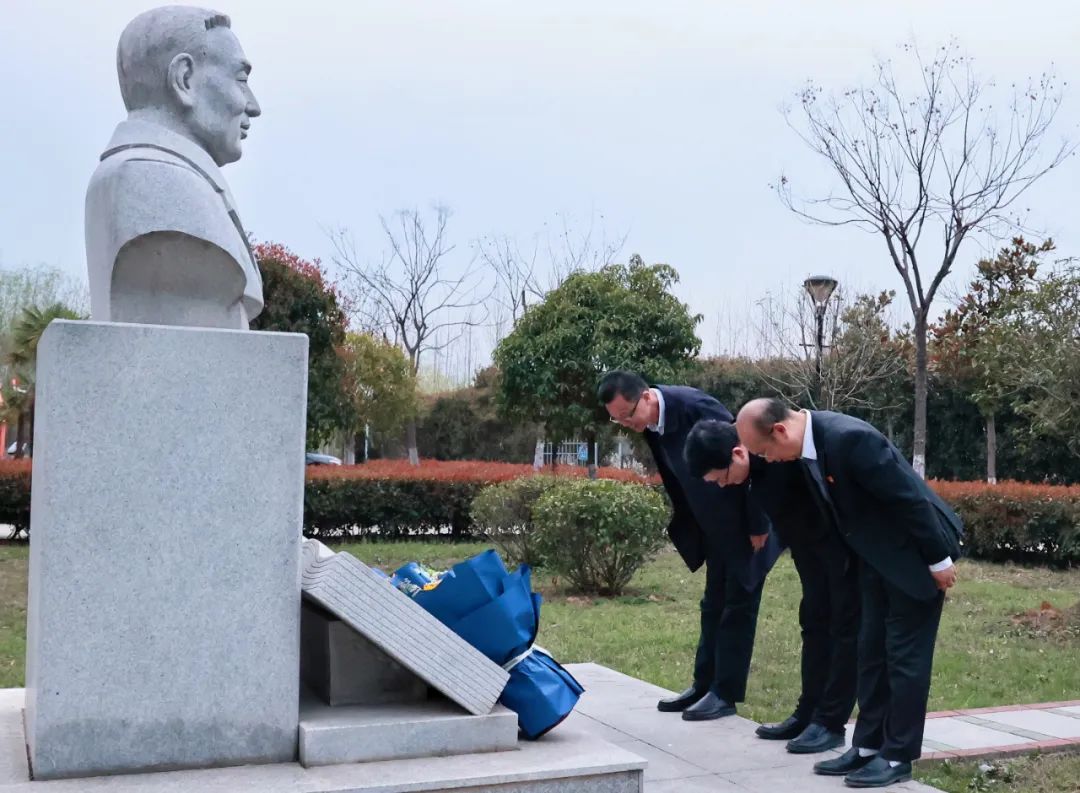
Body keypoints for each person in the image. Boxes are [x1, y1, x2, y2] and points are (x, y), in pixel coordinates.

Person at [735, 398, 963, 788]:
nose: (768, 460)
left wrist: (938, 560)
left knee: (904, 659)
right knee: (870, 651)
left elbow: (907, 499)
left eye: (764, 452)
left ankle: (897, 756)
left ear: (780, 431)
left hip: (913, 558)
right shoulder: (814, 445)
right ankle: (868, 746)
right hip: (874, 558)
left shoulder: (849, 439)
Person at [597, 371, 780, 720]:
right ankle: (703, 684)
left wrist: (758, 522)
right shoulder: (650, 423)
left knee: (738, 605)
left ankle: (725, 693)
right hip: (712, 525)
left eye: (628, 415)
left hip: (743, 523)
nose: (627, 424)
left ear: (647, 397)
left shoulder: (697, 408)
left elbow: (748, 458)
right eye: (617, 420)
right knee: (713, 604)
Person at [684, 419, 859, 755]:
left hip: (838, 547)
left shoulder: (776, 456)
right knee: (813, 622)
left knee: (844, 630)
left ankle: (830, 722)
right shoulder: (751, 465)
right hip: (807, 547)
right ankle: (807, 712)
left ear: (738, 454)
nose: (722, 485)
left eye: (721, 478)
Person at [86, 6, 264, 329]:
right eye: (240, 80)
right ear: (184, 79)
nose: (253, 106)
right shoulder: (151, 180)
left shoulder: (129, 175)